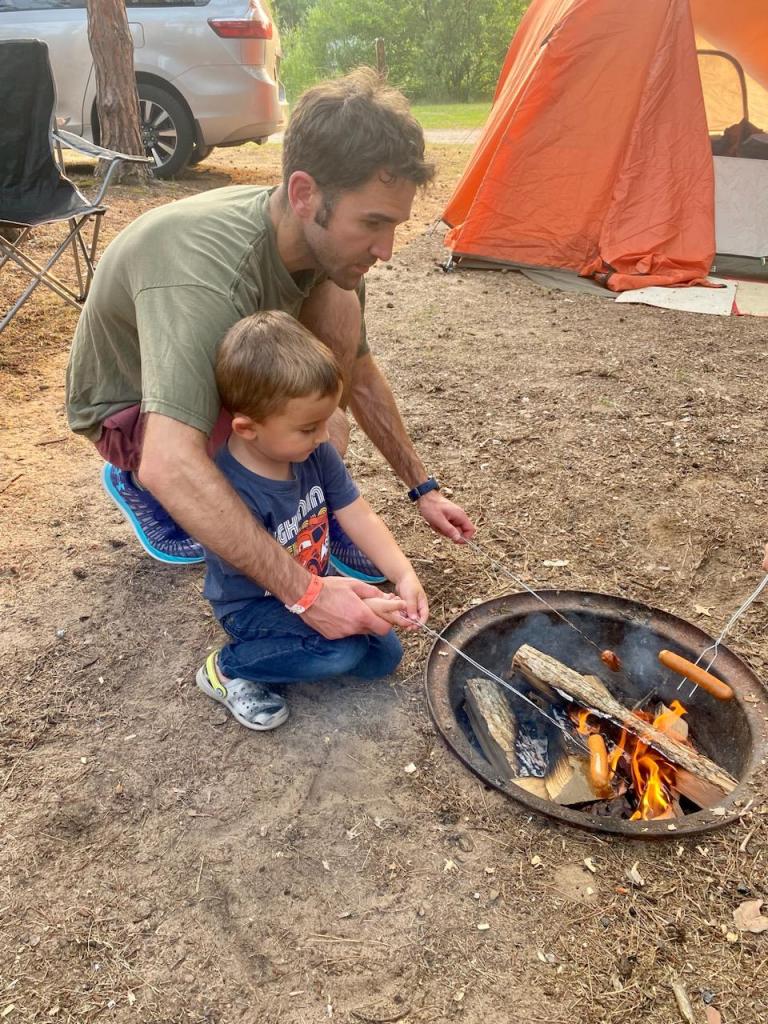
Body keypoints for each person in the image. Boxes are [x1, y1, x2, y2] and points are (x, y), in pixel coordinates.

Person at [65, 67, 474, 643]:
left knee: (314, 392)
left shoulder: (330, 256)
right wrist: (306, 594)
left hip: (234, 361)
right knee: (218, 459)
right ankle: (138, 488)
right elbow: (170, 460)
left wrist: (422, 489)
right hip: (130, 408)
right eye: (373, 224)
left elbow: (352, 375)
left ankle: (306, 515)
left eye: (394, 226)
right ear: (305, 194)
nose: (384, 252)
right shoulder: (206, 274)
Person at [196, 311, 428, 730]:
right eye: (308, 428)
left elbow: (359, 514)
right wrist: (338, 599)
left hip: (316, 588)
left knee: (383, 657)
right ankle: (228, 669)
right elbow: (256, 576)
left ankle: (300, 652)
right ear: (248, 428)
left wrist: (403, 575)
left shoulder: (314, 454)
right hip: (253, 606)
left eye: (325, 422)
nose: (324, 437)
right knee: (339, 652)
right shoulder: (230, 489)